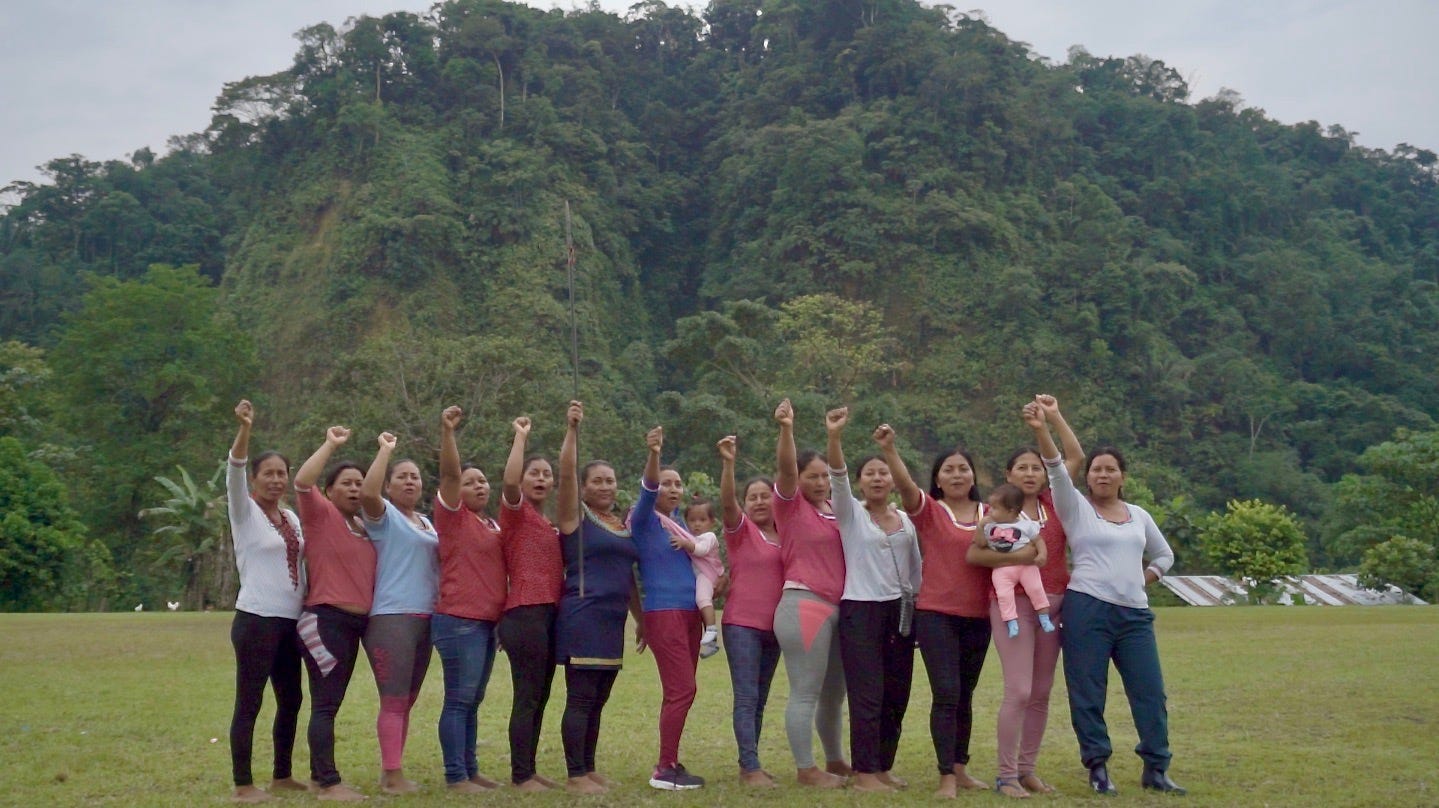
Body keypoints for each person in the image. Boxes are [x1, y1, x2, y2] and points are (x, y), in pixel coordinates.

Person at [1027, 399, 1185, 796]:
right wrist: (1048, 422)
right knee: (1087, 691)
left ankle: (1156, 766)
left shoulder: (1139, 515)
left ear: (1122, 476)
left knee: (1150, 691)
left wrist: (1143, 578)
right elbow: (1056, 467)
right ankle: (1097, 767)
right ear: (1089, 477)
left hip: (1134, 616)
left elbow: (1165, 555)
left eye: (1110, 469)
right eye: (1096, 469)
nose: (1102, 474)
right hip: (1087, 609)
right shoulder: (1075, 508)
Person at [878, 425, 1030, 798]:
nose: (957, 474)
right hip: (936, 615)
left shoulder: (992, 513)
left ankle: (961, 767)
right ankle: (946, 775)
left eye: (963, 468)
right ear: (938, 479)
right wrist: (890, 449)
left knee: (965, 694)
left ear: (973, 475)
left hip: (979, 617)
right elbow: (905, 486)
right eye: (948, 469)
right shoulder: (930, 511)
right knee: (945, 693)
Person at [976, 394, 1080, 799]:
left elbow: (1074, 456)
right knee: (1018, 690)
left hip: (1053, 602)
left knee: (1040, 691)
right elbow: (978, 551)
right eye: (1023, 467)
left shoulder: (1056, 503)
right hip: (1011, 604)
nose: (1031, 473)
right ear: (1009, 474)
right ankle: (1005, 776)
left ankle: (1027, 769)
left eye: (1037, 467)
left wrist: (1048, 421)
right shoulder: (997, 510)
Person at [826, 408, 922, 792]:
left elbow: (916, 568)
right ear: (861, 483)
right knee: (867, 693)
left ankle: (882, 766)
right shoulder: (850, 515)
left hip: (901, 611)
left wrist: (915, 610)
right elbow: (836, 476)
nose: (878, 478)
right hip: (861, 609)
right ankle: (864, 773)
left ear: (893, 482)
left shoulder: (907, 519)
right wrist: (835, 436)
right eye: (871, 474)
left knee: (897, 692)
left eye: (884, 473)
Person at [553, 401, 642, 795]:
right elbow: (566, 473)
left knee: (600, 698)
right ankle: (575, 775)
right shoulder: (576, 516)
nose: (606, 486)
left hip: (612, 620)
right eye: (598, 481)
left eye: (611, 480)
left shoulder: (620, 525)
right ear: (584, 488)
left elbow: (630, 577)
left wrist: (641, 618)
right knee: (581, 697)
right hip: (583, 616)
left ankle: (588, 768)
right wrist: (572, 429)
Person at [224, 399, 307, 804]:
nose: (276, 480)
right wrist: (245, 428)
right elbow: (234, 469)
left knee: (292, 699)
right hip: (257, 619)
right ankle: (243, 783)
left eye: (282, 473)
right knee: (250, 702)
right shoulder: (245, 512)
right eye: (268, 473)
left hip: (291, 622)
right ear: (255, 479)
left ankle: (282, 775)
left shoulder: (291, 518)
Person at [771, 398, 851, 788]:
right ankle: (806, 768)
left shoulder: (837, 509)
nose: (820, 482)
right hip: (805, 603)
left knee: (834, 694)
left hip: (839, 609)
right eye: (812, 476)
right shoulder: (791, 507)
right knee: (805, 691)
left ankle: (835, 760)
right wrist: (787, 428)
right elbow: (786, 468)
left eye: (824, 476)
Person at [292, 425, 375, 802]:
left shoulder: (364, 526)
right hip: (324, 621)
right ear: (330, 491)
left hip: (354, 625)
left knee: (332, 701)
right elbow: (302, 482)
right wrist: (331, 444)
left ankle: (317, 777)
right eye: (347, 483)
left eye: (360, 483)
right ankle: (328, 782)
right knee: (325, 703)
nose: (356, 489)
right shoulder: (321, 515)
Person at [359, 431, 440, 794]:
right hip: (392, 617)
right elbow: (367, 493)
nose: (410, 481)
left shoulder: (426, 522)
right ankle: (392, 776)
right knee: (393, 699)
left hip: (426, 619)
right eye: (402, 476)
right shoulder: (384, 515)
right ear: (389, 485)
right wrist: (385, 451)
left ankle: (393, 768)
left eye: (415, 476)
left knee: (407, 699)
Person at [431, 406, 506, 791]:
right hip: (458, 620)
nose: (479, 486)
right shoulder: (452, 518)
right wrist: (448, 432)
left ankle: (471, 769)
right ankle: (455, 775)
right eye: (471, 481)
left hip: (486, 623)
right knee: (458, 699)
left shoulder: (491, 525)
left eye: (483, 482)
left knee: (472, 701)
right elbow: (448, 473)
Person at [629, 426, 708, 790]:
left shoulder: (677, 524)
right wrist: (654, 454)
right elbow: (646, 491)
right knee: (682, 690)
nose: (673, 489)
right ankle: (663, 769)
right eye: (666, 483)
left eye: (677, 484)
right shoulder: (644, 520)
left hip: (690, 614)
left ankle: (671, 760)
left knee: (680, 691)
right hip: (665, 613)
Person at [496, 415, 562, 791]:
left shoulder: (546, 520)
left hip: (549, 613)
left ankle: (531, 768)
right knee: (526, 694)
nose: (540, 478)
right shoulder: (516, 513)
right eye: (534, 473)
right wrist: (520, 437)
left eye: (546, 474)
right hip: (524, 612)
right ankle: (520, 775)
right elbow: (507, 481)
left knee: (541, 694)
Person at [716, 435, 784, 788]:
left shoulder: (788, 535)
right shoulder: (741, 532)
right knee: (746, 696)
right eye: (752, 497)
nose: (759, 501)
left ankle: (752, 762)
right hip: (742, 624)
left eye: (765, 495)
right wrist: (729, 463)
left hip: (776, 629)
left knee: (760, 698)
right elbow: (726, 503)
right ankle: (749, 767)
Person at [975, 483, 1055, 640]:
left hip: (1026, 566)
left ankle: (1044, 617)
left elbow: (1039, 541)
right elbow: (980, 544)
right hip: (1002, 569)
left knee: (1036, 589)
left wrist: (1042, 555)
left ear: (1011, 510)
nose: (990, 511)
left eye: (995, 508)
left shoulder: (1026, 525)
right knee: (1004, 594)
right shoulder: (989, 526)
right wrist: (980, 528)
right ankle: (1011, 621)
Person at [670, 497, 724, 658]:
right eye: (692, 520)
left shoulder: (709, 537)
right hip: (700, 574)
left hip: (707, 574)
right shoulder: (692, 537)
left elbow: (700, 550)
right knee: (700, 604)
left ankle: (712, 628)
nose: (697, 524)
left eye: (702, 520)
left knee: (702, 599)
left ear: (711, 522)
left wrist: (685, 543)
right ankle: (711, 645)